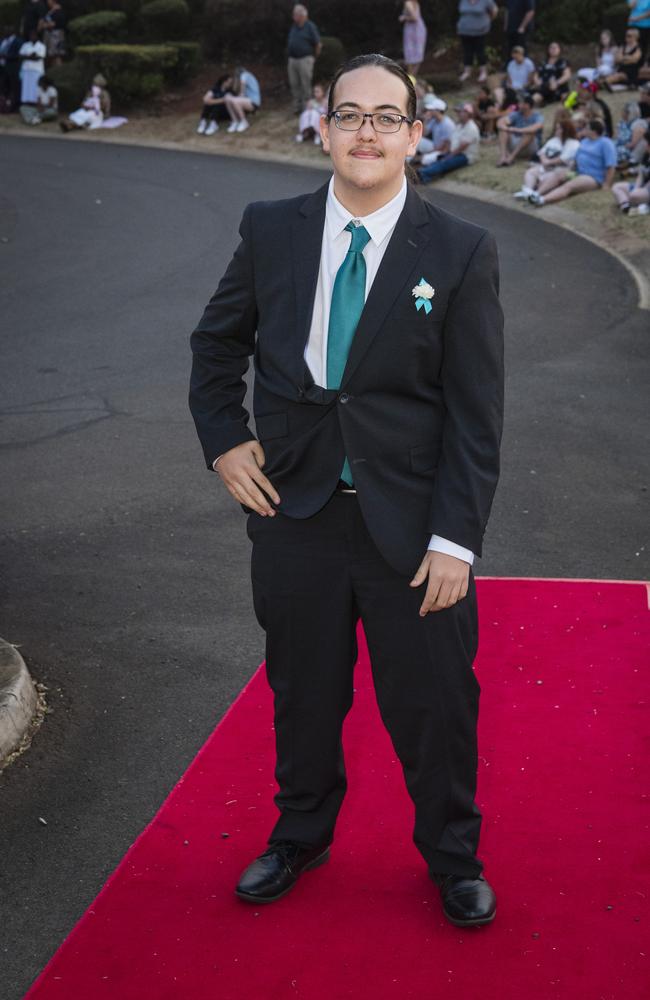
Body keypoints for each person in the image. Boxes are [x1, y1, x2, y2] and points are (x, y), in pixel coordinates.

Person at [189, 52, 504, 928]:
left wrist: (456, 540)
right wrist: (224, 443)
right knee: (303, 689)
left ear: (414, 134)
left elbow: (478, 415)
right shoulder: (271, 227)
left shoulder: (462, 251)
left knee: (435, 700)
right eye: (350, 114)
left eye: (386, 117)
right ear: (323, 127)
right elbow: (215, 346)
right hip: (295, 510)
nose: (366, 131)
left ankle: (453, 857)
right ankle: (299, 835)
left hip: (414, 526)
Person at [527, 119, 617, 205]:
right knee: (557, 174)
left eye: (587, 128)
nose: (584, 130)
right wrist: (569, 170)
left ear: (594, 131)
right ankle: (536, 193)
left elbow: (611, 165)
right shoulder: (585, 141)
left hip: (593, 177)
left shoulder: (606, 144)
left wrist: (607, 184)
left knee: (569, 185)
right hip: (578, 172)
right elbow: (576, 158)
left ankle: (543, 200)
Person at [512, 118, 579, 199]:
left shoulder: (573, 143)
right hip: (546, 166)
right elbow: (542, 152)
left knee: (549, 178)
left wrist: (548, 162)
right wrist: (544, 161)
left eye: (558, 128)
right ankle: (528, 191)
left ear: (566, 130)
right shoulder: (554, 140)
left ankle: (536, 194)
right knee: (531, 172)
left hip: (561, 169)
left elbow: (563, 159)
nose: (556, 130)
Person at [417, 101, 481, 180]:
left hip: (465, 155)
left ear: (468, 114)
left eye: (460, 112)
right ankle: (424, 174)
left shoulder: (471, 127)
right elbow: (451, 141)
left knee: (445, 162)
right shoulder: (460, 125)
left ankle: (423, 173)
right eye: (458, 112)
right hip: (455, 152)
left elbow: (462, 147)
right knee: (440, 158)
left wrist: (449, 155)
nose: (458, 114)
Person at [287, 4, 321, 115]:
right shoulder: (294, 27)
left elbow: (318, 44)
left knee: (305, 84)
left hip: (305, 59)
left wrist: (313, 58)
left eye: (295, 14)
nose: (293, 17)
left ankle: (307, 108)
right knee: (294, 84)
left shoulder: (310, 26)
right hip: (293, 60)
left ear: (302, 15)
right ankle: (297, 107)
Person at [456, 0, 498, 84]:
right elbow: (461, 12)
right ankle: (467, 72)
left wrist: (488, 20)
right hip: (464, 31)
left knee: (480, 52)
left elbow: (494, 10)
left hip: (480, 31)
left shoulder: (486, 1)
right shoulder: (463, 1)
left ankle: (483, 72)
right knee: (467, 52)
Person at [496, 92, 543, 165]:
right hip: (516, 142)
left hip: (531, 146)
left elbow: (536, 127)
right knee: (502, 130)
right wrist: (507, 128)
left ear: (527, 105)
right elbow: (500, 122)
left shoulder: (537, 116)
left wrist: (517, 130)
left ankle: (511, 157)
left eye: (521, 103)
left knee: (530, 133)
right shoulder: (516, 114)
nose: (518, 104)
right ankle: (503, 157)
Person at [414, 94, 454, 158]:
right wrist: (425, 120)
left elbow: (446, 145)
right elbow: (424, 134)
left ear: (437, 111)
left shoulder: (447, 124)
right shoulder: (434, 120)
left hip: (443, 150)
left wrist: (430, 153)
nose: (429, 111)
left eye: (432, 110)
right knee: (416, 140)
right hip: (435, 146)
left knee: (424, 159)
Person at [224, 67, 260, 133]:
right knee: (227, 98)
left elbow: (242, 93)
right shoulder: (247, 76)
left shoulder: (245, 75)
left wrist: (235, 97)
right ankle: (235, 121)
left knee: (234, 101)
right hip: (248, 100)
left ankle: (244, 122)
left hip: (253, 102)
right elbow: (237, 91)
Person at [399, 0, 427, 76]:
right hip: (419, 29)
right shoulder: (415, 2)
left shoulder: (408, 3)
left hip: (413, 30)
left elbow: (414, 17)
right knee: (417, 56)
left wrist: (404, 17)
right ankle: (412, 77)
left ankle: (410, 78)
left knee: (411, 56)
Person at [18, 28, 45, 105]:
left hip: (37, 70)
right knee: (26, 87)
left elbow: (39, 58)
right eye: (31, 35)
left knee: (35, 88)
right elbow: (20, 56)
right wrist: (31, 56)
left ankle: (35, 102)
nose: (32, 37)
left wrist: (27, 56)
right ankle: (26, 102)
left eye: (34, 35)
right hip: (26, 69)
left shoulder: (41, 46)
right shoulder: (25, 45)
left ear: (37, 36)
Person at [38, 0, 65, 66]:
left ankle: (59, 72)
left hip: (56, 35)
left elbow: (56, 23)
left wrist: (45, 25)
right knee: (51, 55)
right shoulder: (51, 11)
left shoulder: (58, 11)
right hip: (49, 36)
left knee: (57, 55)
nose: (47, 2)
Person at [627, 0, 650, 66]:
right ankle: (631, 63)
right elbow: (631, 6)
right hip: (633, 25)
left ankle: (640, 65)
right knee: (631, 45)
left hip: (645, 26)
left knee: (642, 46)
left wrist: (637, 18)